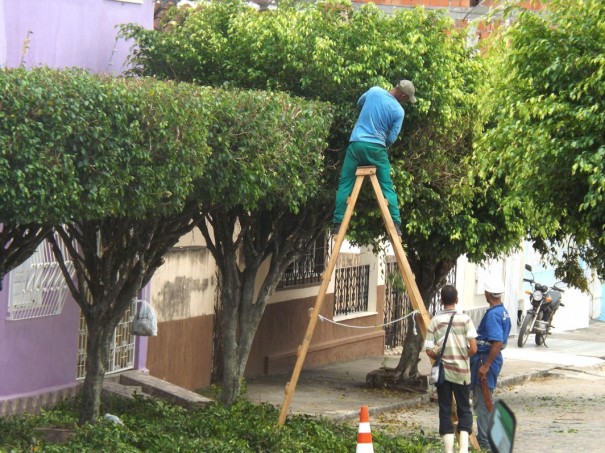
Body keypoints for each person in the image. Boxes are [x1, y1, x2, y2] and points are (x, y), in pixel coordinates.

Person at [332, 80, 417, 234]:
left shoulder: (374, 91)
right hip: (377, 149)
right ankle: (396, 224)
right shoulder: (398, 111)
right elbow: (391, 137)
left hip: (356, 144)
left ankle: (338, 223)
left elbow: (359, 103)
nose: (405, 101)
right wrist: (380, 142)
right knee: (386, 185)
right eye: (407, 98)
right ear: (402, 95)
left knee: (345, 184)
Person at [425, 285, 478, 453]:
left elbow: (428, 350)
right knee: (464, 409)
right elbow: (474, 348)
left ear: (441, 300)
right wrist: (463, 355)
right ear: (457, 300)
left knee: (445, 410)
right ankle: (463, 449)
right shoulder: (466, 320)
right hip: (462, 372)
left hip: (443, 374)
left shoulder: (435, 321)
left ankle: (449, 451)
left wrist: (440, 353)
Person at [470, 277, 512, 451]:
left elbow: (496, 342)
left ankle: (485, 441)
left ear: (487, 294)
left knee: (483, 399)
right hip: (489, 358)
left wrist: (486, 365)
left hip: (486, 359)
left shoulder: (494, 315)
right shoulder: (502, 311)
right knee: (483, 399)